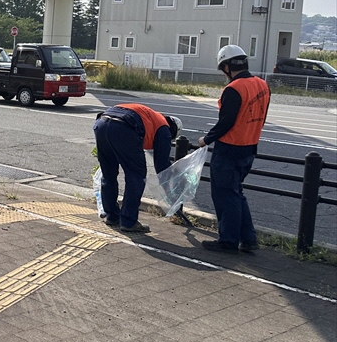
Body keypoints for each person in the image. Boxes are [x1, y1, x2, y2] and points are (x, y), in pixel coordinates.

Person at [198, 45, 271, 254]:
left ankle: (228, 241)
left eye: (223, 68)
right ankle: (248, 239)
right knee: (236, 193)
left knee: (224, 195)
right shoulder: (263, 85)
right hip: (250, 147)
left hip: (229, 149)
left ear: (227, 67)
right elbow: (262, 117)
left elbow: (226, 122)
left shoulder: (234, 89)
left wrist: (207, 139)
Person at [93, 103, 183, 233]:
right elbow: (162, 166)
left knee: (108, 174)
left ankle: (111, 216)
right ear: (173, 129)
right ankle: (129, 222)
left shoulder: (152, 117)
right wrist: (172, 193)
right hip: (124, 127)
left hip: (101, 123)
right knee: (136, 176)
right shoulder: (164, 128)